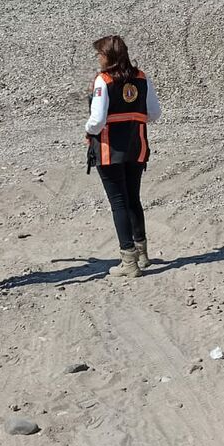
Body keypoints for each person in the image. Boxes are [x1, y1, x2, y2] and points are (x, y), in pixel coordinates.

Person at [86, 35, 163, 278]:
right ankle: (142, 253)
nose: (98, 58)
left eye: (99, 54)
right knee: (133, 199)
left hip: (109, 149)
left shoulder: (104, 80)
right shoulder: (141, 77)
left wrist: (88, 129)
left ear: (108, 56)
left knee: (118, 203)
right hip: (136, 146)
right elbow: (154, 113)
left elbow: (97, 120)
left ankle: (128, 261)